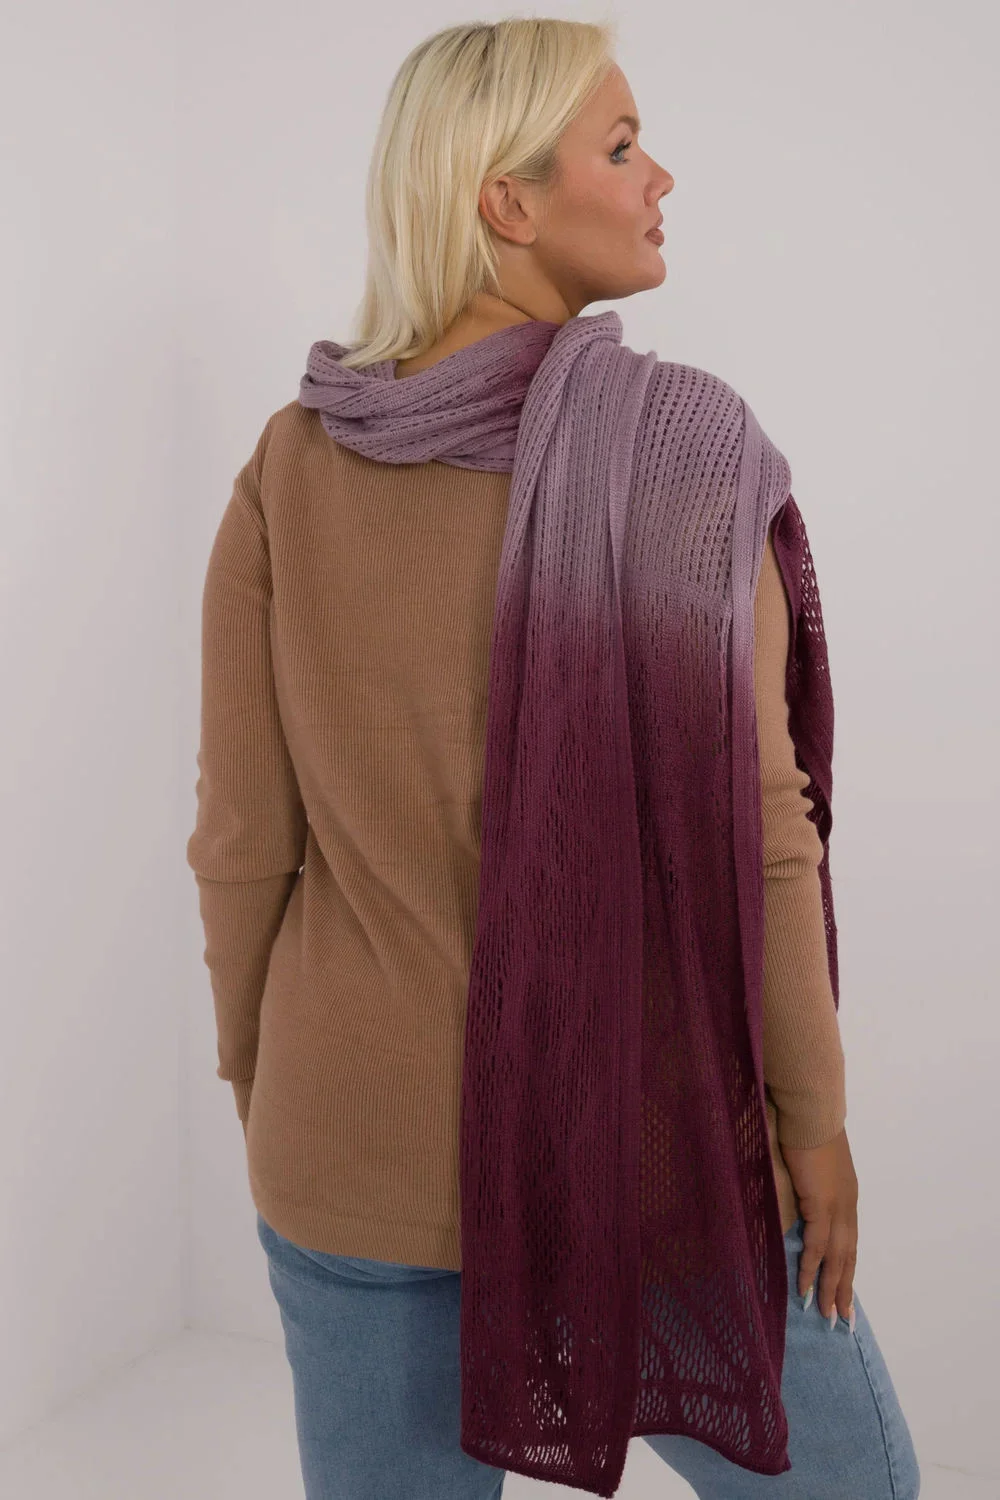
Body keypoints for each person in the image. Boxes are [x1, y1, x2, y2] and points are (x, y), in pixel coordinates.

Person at [187, 16, 921, 1499]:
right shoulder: (681, 460)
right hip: (645, 1151)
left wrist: (268, 1083)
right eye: (622, 144)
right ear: (507, 202)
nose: (662, 176)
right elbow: (765, 834)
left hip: (345, 1148)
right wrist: (814, 1128)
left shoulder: (294, 460)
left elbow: (243, 841)